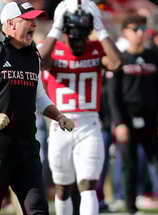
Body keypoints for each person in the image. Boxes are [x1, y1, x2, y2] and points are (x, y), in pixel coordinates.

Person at [0, 1, 75, 214]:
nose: (34, 24)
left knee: (38, 210)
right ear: (11, 24)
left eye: (35, 19)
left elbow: (40, 96)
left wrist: (59, 116)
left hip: (26, 147)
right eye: (28, 20)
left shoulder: (32, 56)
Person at [37, 0, 122, 214]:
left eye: (83, 34)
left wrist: (100, 27)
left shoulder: (96, 48)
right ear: (63, 30)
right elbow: (39, 63)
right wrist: (56, 27)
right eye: (73, 34)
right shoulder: (51, 50)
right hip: (59, 124)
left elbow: (116, 62)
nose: (78, 40)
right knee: (63, 188)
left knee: (88, 186)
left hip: (89, 124)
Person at [106, 13, 158, 214]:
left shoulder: (154, 57)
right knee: (130, 166)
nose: (140, 33)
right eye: (135, 29)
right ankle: (130, 208)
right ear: (125, 32)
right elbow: (112, 94)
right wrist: (119, 122)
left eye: (143, 29)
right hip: (127, 120)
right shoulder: (120, 58)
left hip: (152, 120)